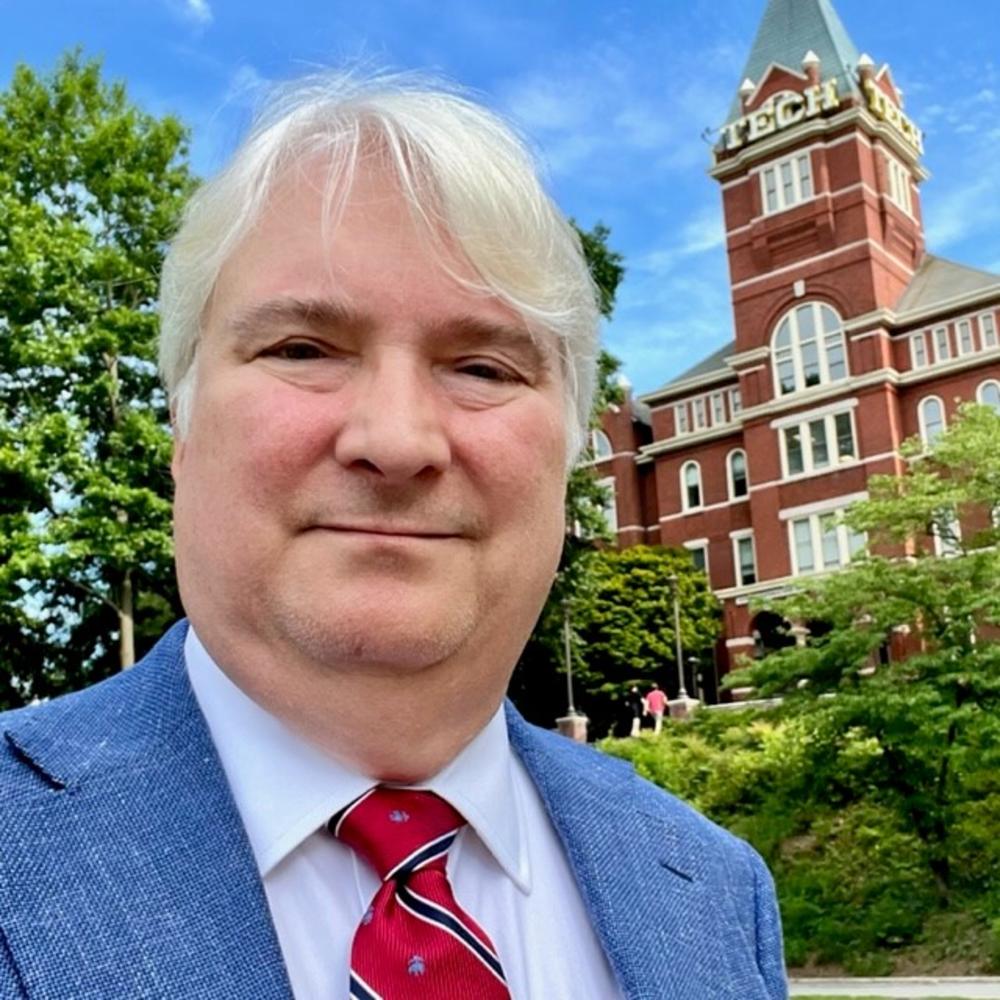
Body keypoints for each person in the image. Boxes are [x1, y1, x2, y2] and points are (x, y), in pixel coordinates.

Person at [0, 71, 787, 999]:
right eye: (303, 349)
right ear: (182, 429)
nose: (397, 440)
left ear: (571, 459)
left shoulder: (716, 894)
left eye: (484, 367)